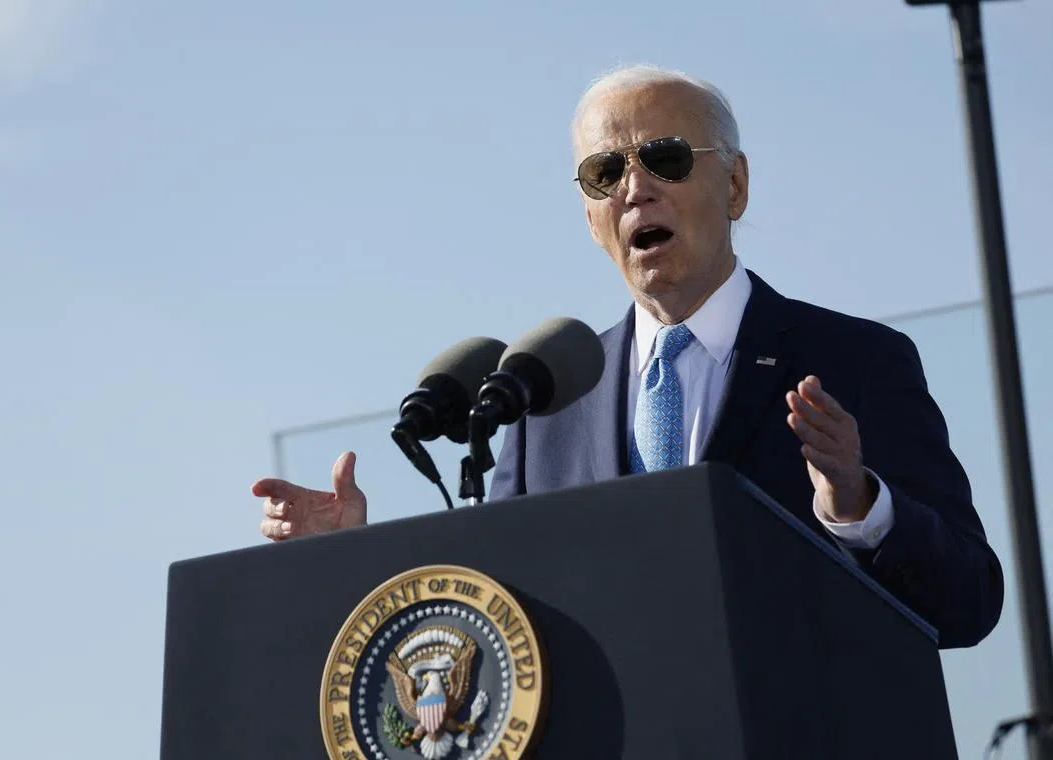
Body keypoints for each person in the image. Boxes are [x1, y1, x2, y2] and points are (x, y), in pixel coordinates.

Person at [253, 66, 1003, 649]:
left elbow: (969, 604)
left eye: (666, 158)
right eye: (605, 174)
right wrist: (351, 563)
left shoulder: (857, 361)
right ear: (590, 219)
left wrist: (859, 507)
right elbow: (498, 623)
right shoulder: (547, 401)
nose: (636, 189)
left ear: (735, 185)